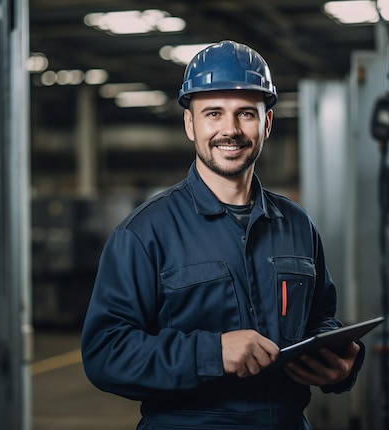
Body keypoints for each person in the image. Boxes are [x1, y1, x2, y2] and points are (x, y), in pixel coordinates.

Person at [81, 40, 365, 430]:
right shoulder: (145, 233)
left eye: (245, 113)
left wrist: (341, 365)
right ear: (190, 124)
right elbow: (105, 354)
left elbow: (321, 319)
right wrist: (212, 353)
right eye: (213, 113)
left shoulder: (297, 224)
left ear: (266, 123)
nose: (229, 130)